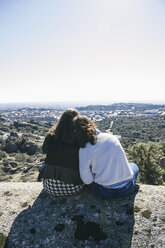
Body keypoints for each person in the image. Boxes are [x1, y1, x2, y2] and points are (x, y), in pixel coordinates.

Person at [73, 115, 139, 199]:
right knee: (134, 165)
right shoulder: (111, 137)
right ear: (93, 125)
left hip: (105, 192)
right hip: (127, 189)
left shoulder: (84, 149)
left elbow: (87, 181)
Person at [38, 109, 84, 196]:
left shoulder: (51, 136)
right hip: (74, 186)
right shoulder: (79, 138)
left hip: (49, 187)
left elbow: (44, 150)